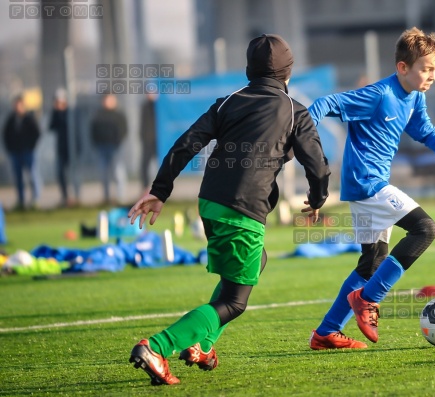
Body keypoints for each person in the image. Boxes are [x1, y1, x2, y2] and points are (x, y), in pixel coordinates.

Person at [127, 34, 330, 386]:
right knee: (236, 302)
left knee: (254, 263)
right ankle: (158, 346)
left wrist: (160, 191)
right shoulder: (295, 111)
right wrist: (318, 198)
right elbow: (318, 166)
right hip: (243, 209)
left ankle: (202, 345)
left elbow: (186, 143)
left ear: (248, 70)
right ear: (288, 72)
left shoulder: (227, 103)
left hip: (210, 203)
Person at [307, 27, 435, 349]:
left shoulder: (415, 96)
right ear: (402, 68)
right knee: (425, 229)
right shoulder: (379, 95)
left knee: (370, 264)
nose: (433, 76)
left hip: (368, 186)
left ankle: (325, 332)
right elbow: (325, 103)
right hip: (368, 184)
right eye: (427, 69)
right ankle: (369, 300)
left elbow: (423, 130)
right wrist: (303, 139)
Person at [2, 95, 41, 210]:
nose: (16, 107)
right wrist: (10, 149)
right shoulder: (11, 119)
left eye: (18, 105)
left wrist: (31, 146)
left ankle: (35, 199)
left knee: (32, 175)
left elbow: (37, 133)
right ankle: (21, 201)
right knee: (18, 178)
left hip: (28, 152)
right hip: (15, 153)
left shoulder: (29, 118)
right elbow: (5, 135)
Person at [90, 94, 127, 205]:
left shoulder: (119, 115)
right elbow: (93, 131)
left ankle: (120, 197)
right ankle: (106, 197)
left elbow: (124, 130)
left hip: (115, 148)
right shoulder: (98, 115)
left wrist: (118, 142)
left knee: (118, 172)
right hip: (102, 147)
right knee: (104, 173)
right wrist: (97, 143)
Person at [49, 88, 75, 207]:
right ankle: (65, 196)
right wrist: (57, 112)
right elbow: (51, 127)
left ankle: (75, 195)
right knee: (60, 173)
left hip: (73, 149)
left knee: (73, 173)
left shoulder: (71, 113)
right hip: (61, 149)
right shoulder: (56, 114)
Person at [139, 92, 158, 190]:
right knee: (144, 165)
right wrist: (142, 137)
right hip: (147, 140)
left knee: (162, 165)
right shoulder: (145, 106)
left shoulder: (160, 106)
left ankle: (162, 187)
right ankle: (145, 187)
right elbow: (142, 124)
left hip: (159, 141)